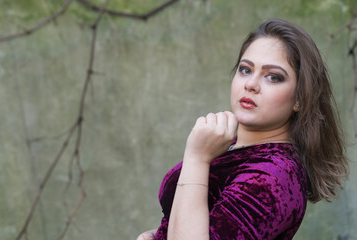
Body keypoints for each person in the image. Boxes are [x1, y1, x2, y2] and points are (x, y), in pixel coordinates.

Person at [137, 18, 349, 240]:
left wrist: (197, 158)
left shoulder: (272, 176)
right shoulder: (229, 146)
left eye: (273, 77)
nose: (251, 84)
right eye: (245, 69)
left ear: (299, 99)